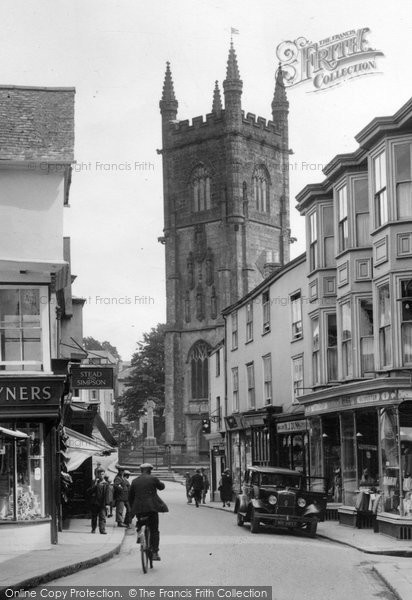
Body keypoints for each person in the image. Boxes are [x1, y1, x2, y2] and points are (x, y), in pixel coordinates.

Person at [129, 463, 169, 561]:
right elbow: (161, 487)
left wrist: (133, 508)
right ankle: (155, 552)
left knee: (140, 521)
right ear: (150, 470)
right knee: (154, 530)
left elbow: (130, 497)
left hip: (139, 508)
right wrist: (160, 483)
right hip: (151, 508)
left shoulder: (134, 481)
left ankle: (140, 533)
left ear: (141, 470)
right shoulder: (153, 479)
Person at [87, 467, 110, 534]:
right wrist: (95, 485)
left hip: (102, 503)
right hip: (95, 503)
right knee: (94, 517)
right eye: (100, 474)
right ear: (97, 475)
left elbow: (107, 494)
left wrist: (107, 504)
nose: (101, 476)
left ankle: (102, 530)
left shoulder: (106, 484)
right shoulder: (94, 483)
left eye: (102, 474)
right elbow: (89, 491)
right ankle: (93, 529)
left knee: (102, 517)